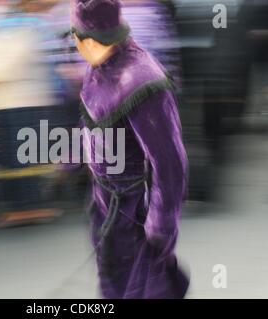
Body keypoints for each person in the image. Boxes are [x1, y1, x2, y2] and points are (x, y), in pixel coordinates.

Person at [69, 0, 189, 298]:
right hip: (104, 203)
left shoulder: (144, 81)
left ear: (91, 40)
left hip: (136, 208)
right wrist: (71, 156)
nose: (74, 46)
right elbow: (92, 119)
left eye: (76, 39)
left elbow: (170, 162)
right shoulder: (98, 65)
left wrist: (161, 223)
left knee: (141, 288)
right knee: (113, 281)